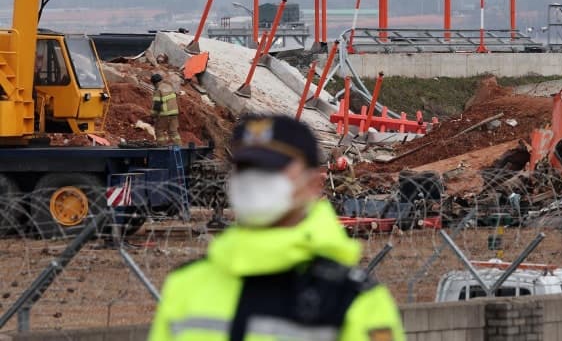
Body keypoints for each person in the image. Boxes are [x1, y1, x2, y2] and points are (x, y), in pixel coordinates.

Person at [148, 114, 405, 341]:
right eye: (245, 169)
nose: (254, 181)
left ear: (314, 184)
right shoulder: (185, 285)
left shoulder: (353, 302)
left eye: (272, 170)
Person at [151, 73, 181, 146]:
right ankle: (178, 146)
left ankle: (162, 146)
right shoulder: (170, 87)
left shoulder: (158, 90)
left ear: (155, 83)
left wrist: (153, 115)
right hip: (174, 113)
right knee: (173, 131)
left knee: (159, 130)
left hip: (164, 114)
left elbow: (157, 105)